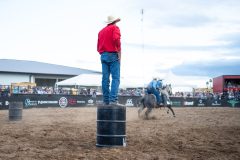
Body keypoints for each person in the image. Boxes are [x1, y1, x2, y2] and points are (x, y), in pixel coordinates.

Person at [97, 15, 122, 105]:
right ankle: (113, 100)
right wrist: (118, 50)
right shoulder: (115, 28)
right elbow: (116, 39)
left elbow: (98, 47)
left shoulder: (101, 32)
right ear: (115, 21)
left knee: (105, 79)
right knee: (116, 78)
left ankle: (106, 101)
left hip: (103, 55)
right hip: (113, 54)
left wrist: (103, 53)